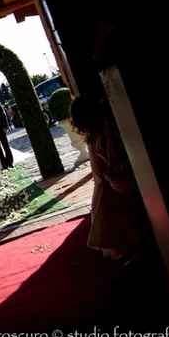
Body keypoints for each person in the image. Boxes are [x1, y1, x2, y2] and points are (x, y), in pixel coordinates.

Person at [70, 95, 147, 262]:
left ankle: (132, 245)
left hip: (121, 179)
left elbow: (113, 162)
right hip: (114, 180)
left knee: (110, 204)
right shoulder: (99, 135)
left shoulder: (106, 134)